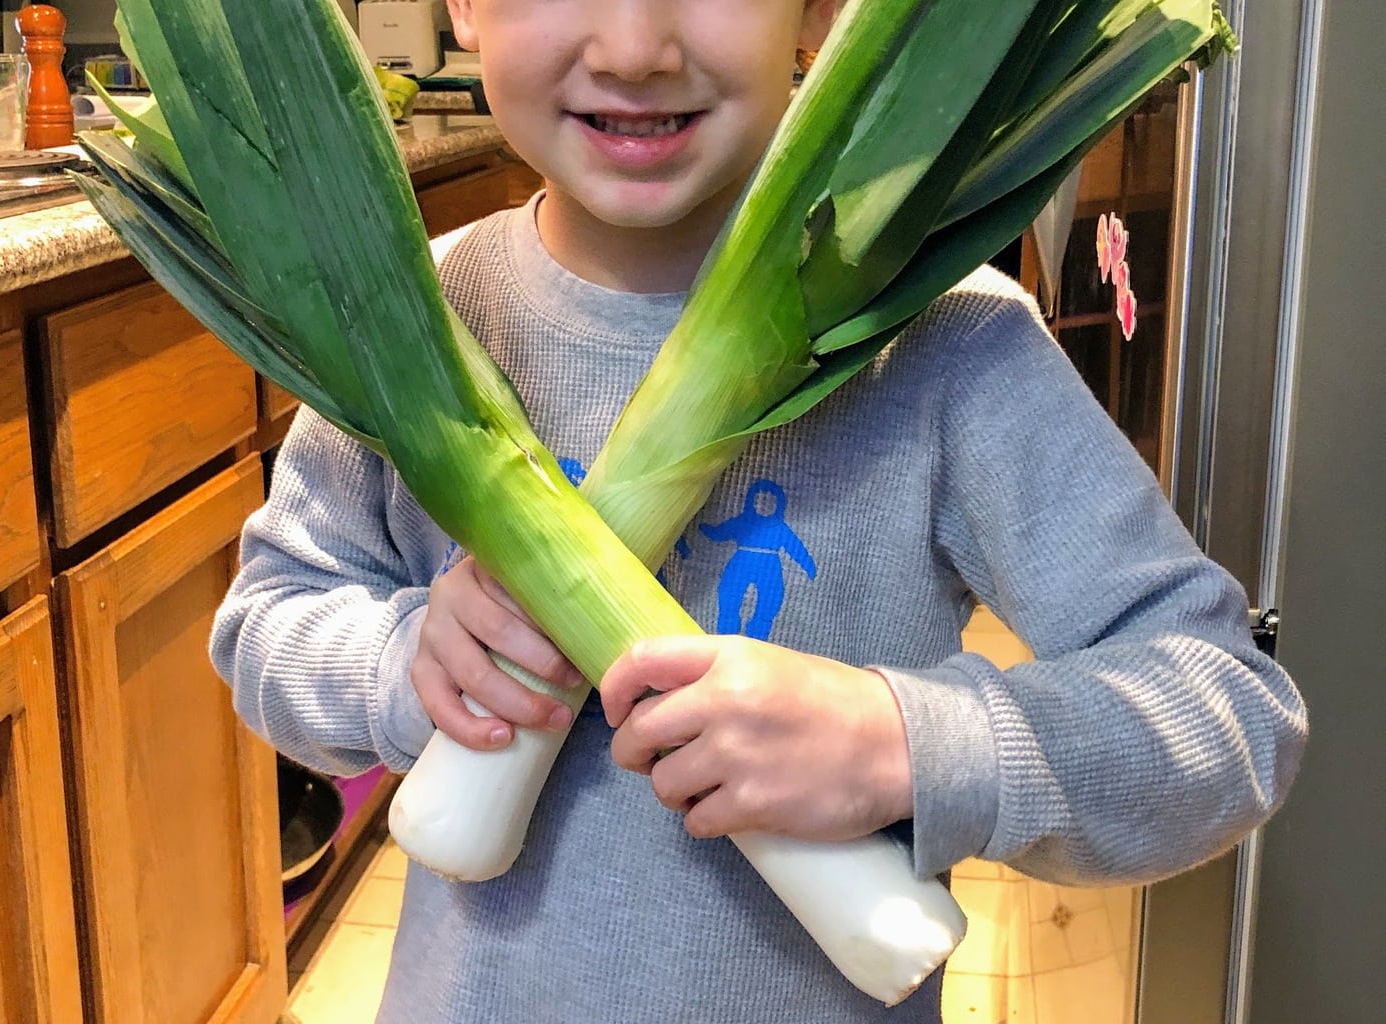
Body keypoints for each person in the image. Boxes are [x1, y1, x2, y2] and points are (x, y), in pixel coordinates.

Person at [210, 1, 1309, 1020]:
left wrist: (907, 748)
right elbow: (268, 622)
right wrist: (410, 665)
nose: (634, 47)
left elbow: (1226, 714)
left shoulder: (952, 344)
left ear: (823, 7)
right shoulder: (408, 326)